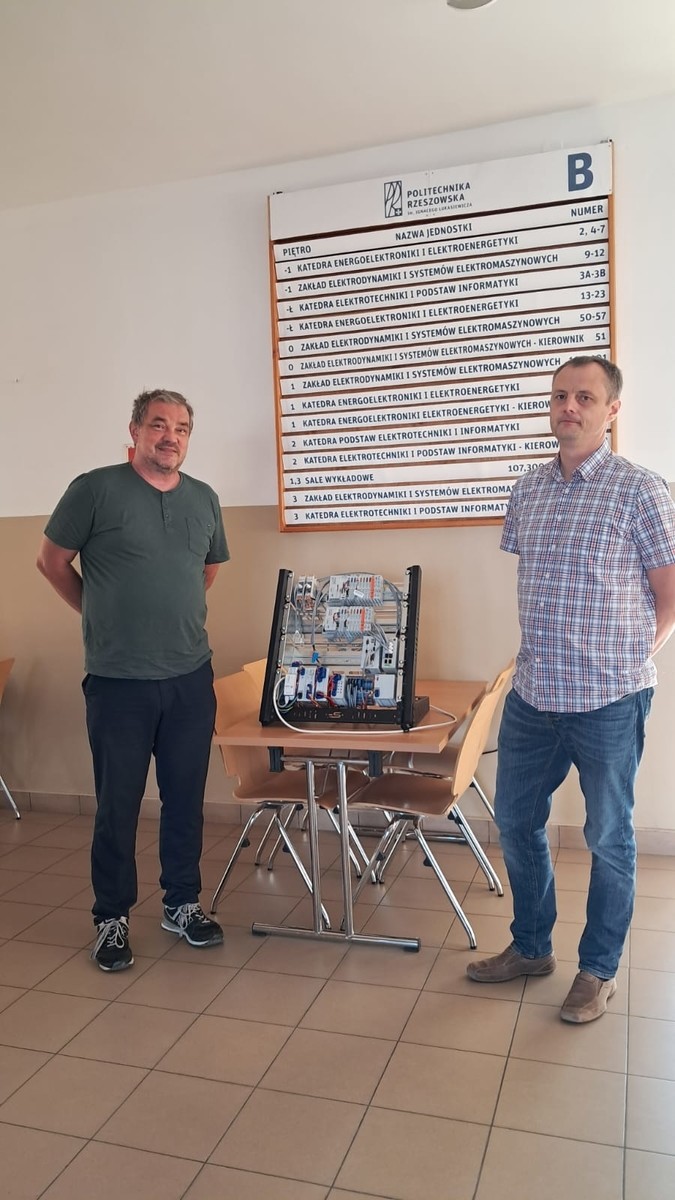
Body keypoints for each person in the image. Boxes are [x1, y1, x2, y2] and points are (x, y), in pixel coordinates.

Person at [467, 356, 675, 1022]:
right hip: (534, 695)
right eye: (560, 395)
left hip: (609, 701)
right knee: (515, 821)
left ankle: (597, 970)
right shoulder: (527, 490)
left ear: (611, 410)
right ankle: (531, 947)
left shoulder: (640, 490)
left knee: (608, 837)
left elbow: (669, 595)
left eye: (584, 397)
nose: (569, 406)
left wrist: (631, 658)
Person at [37, 389, 229, 971]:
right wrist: (98, 615)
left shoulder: (204, 498)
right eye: (159, 425)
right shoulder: (94, 489)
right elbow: (51, 562)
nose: (171, 436)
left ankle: (182, 903)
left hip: (190, 677)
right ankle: (111, 918)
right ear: (136, 430)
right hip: (118, 681)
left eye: (182, 428)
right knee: (117, 806)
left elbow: (207, 569)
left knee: (185, 800)